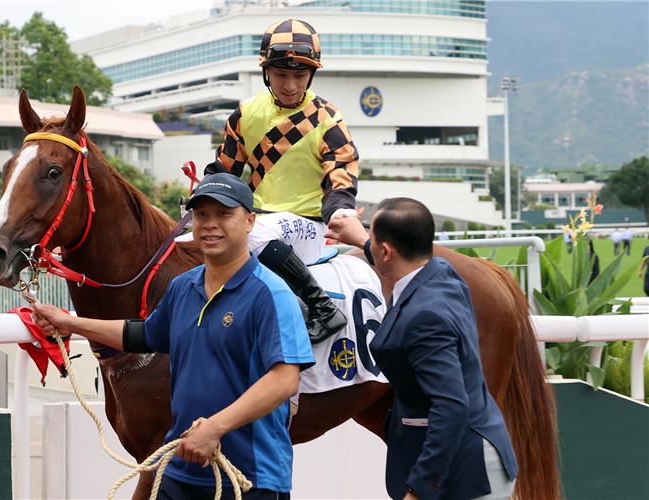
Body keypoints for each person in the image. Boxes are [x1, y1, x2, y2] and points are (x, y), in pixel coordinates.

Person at [33, 174, 315, 500]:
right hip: (180, 470)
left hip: (249, 478)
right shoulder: (183, 287)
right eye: (201, 215)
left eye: (224, 214)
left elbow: (284, 381)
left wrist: (214, 428)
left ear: (250, 221)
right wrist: (72, 323)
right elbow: (142, 334)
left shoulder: (271, 293)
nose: (210, 224)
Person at [325, 199, 518, 500]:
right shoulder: (442, 272)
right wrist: (364, 241)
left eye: (373, 240)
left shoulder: (424, 317)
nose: (371, 245)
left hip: (464, 473)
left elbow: (451, 405)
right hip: (467, 457)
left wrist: (420, 489)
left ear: (386, 251)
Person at [201, 18, 359, 344]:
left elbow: (341, 171)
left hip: (307, 224)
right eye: (281, 75)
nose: (290, 85)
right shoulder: (245, 113)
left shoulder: (327, 117)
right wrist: (202, 194)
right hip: (262, 220)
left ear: (311, 74)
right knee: (188, 243)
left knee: (250, 232)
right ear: (266, 71)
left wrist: (341, 209)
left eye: (299, 76)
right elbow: (226, 171)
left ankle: (322, 309)